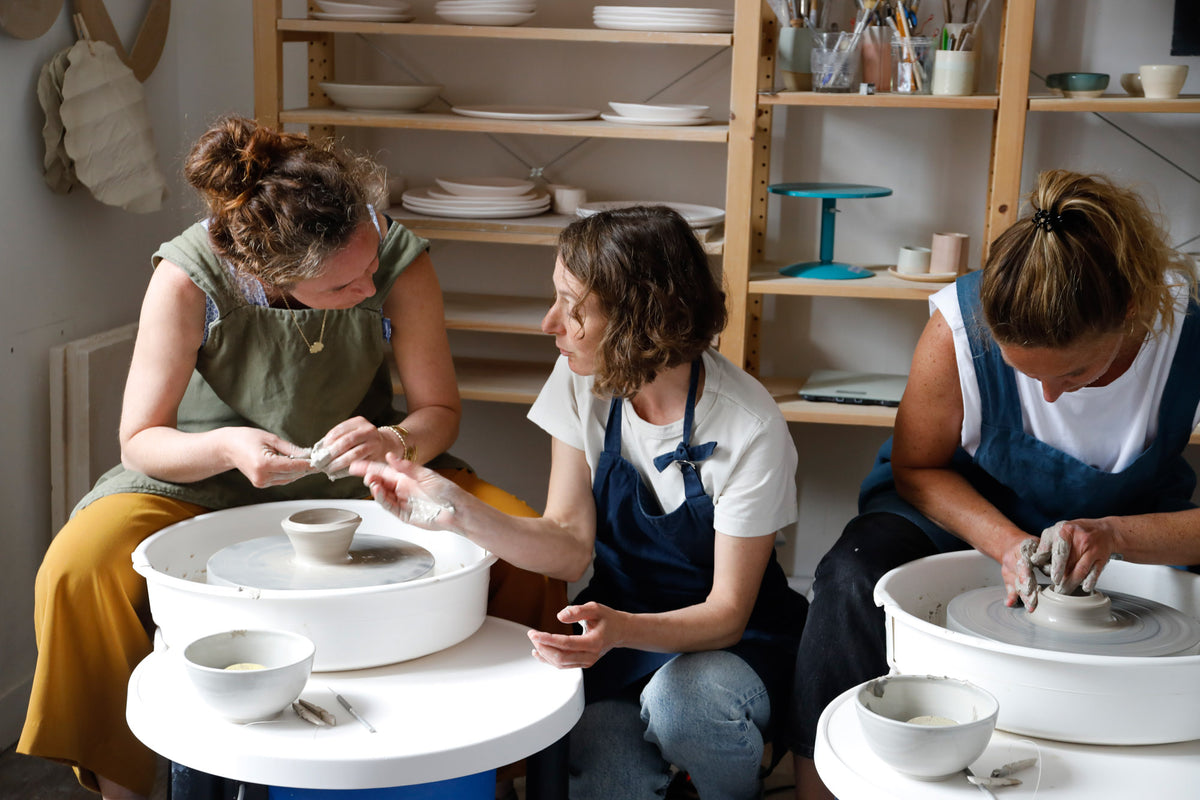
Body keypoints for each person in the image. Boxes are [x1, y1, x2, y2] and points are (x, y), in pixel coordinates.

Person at [18, 115, 566, 800]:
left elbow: (439, 413)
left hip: (365, 474)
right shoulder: (189, 279)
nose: (367, 289)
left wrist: (396, 440)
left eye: (369, 267)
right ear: (266, 276)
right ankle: (119, 784)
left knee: (522, 544)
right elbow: (141, 440)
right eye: (342, 289)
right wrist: (226, 445)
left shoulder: (395, 257)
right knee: (77, 567)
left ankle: (502, 764)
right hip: (204, 475)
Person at [353, 205, 809, 800]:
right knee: (603, 774)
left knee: (682, 710)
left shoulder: (750, 426)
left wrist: (620, 630)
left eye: (573, 307)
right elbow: (568, 547)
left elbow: (726, 615)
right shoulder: (580, 379)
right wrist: (457, 511)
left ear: (640, 318)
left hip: (733, 643)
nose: (550, 324)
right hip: (617, 632)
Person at [787, 169, 1200, 799]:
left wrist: (1116, 534)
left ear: (1131, 314)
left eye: (1075, 372)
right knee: (849, 575)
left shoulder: (1185, 335)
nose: (1049, 395)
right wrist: (1007, 543)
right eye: (1025, 374)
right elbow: (917, 467)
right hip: (961, 504)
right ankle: (820, 785)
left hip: (1129, 517)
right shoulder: (957, 325)